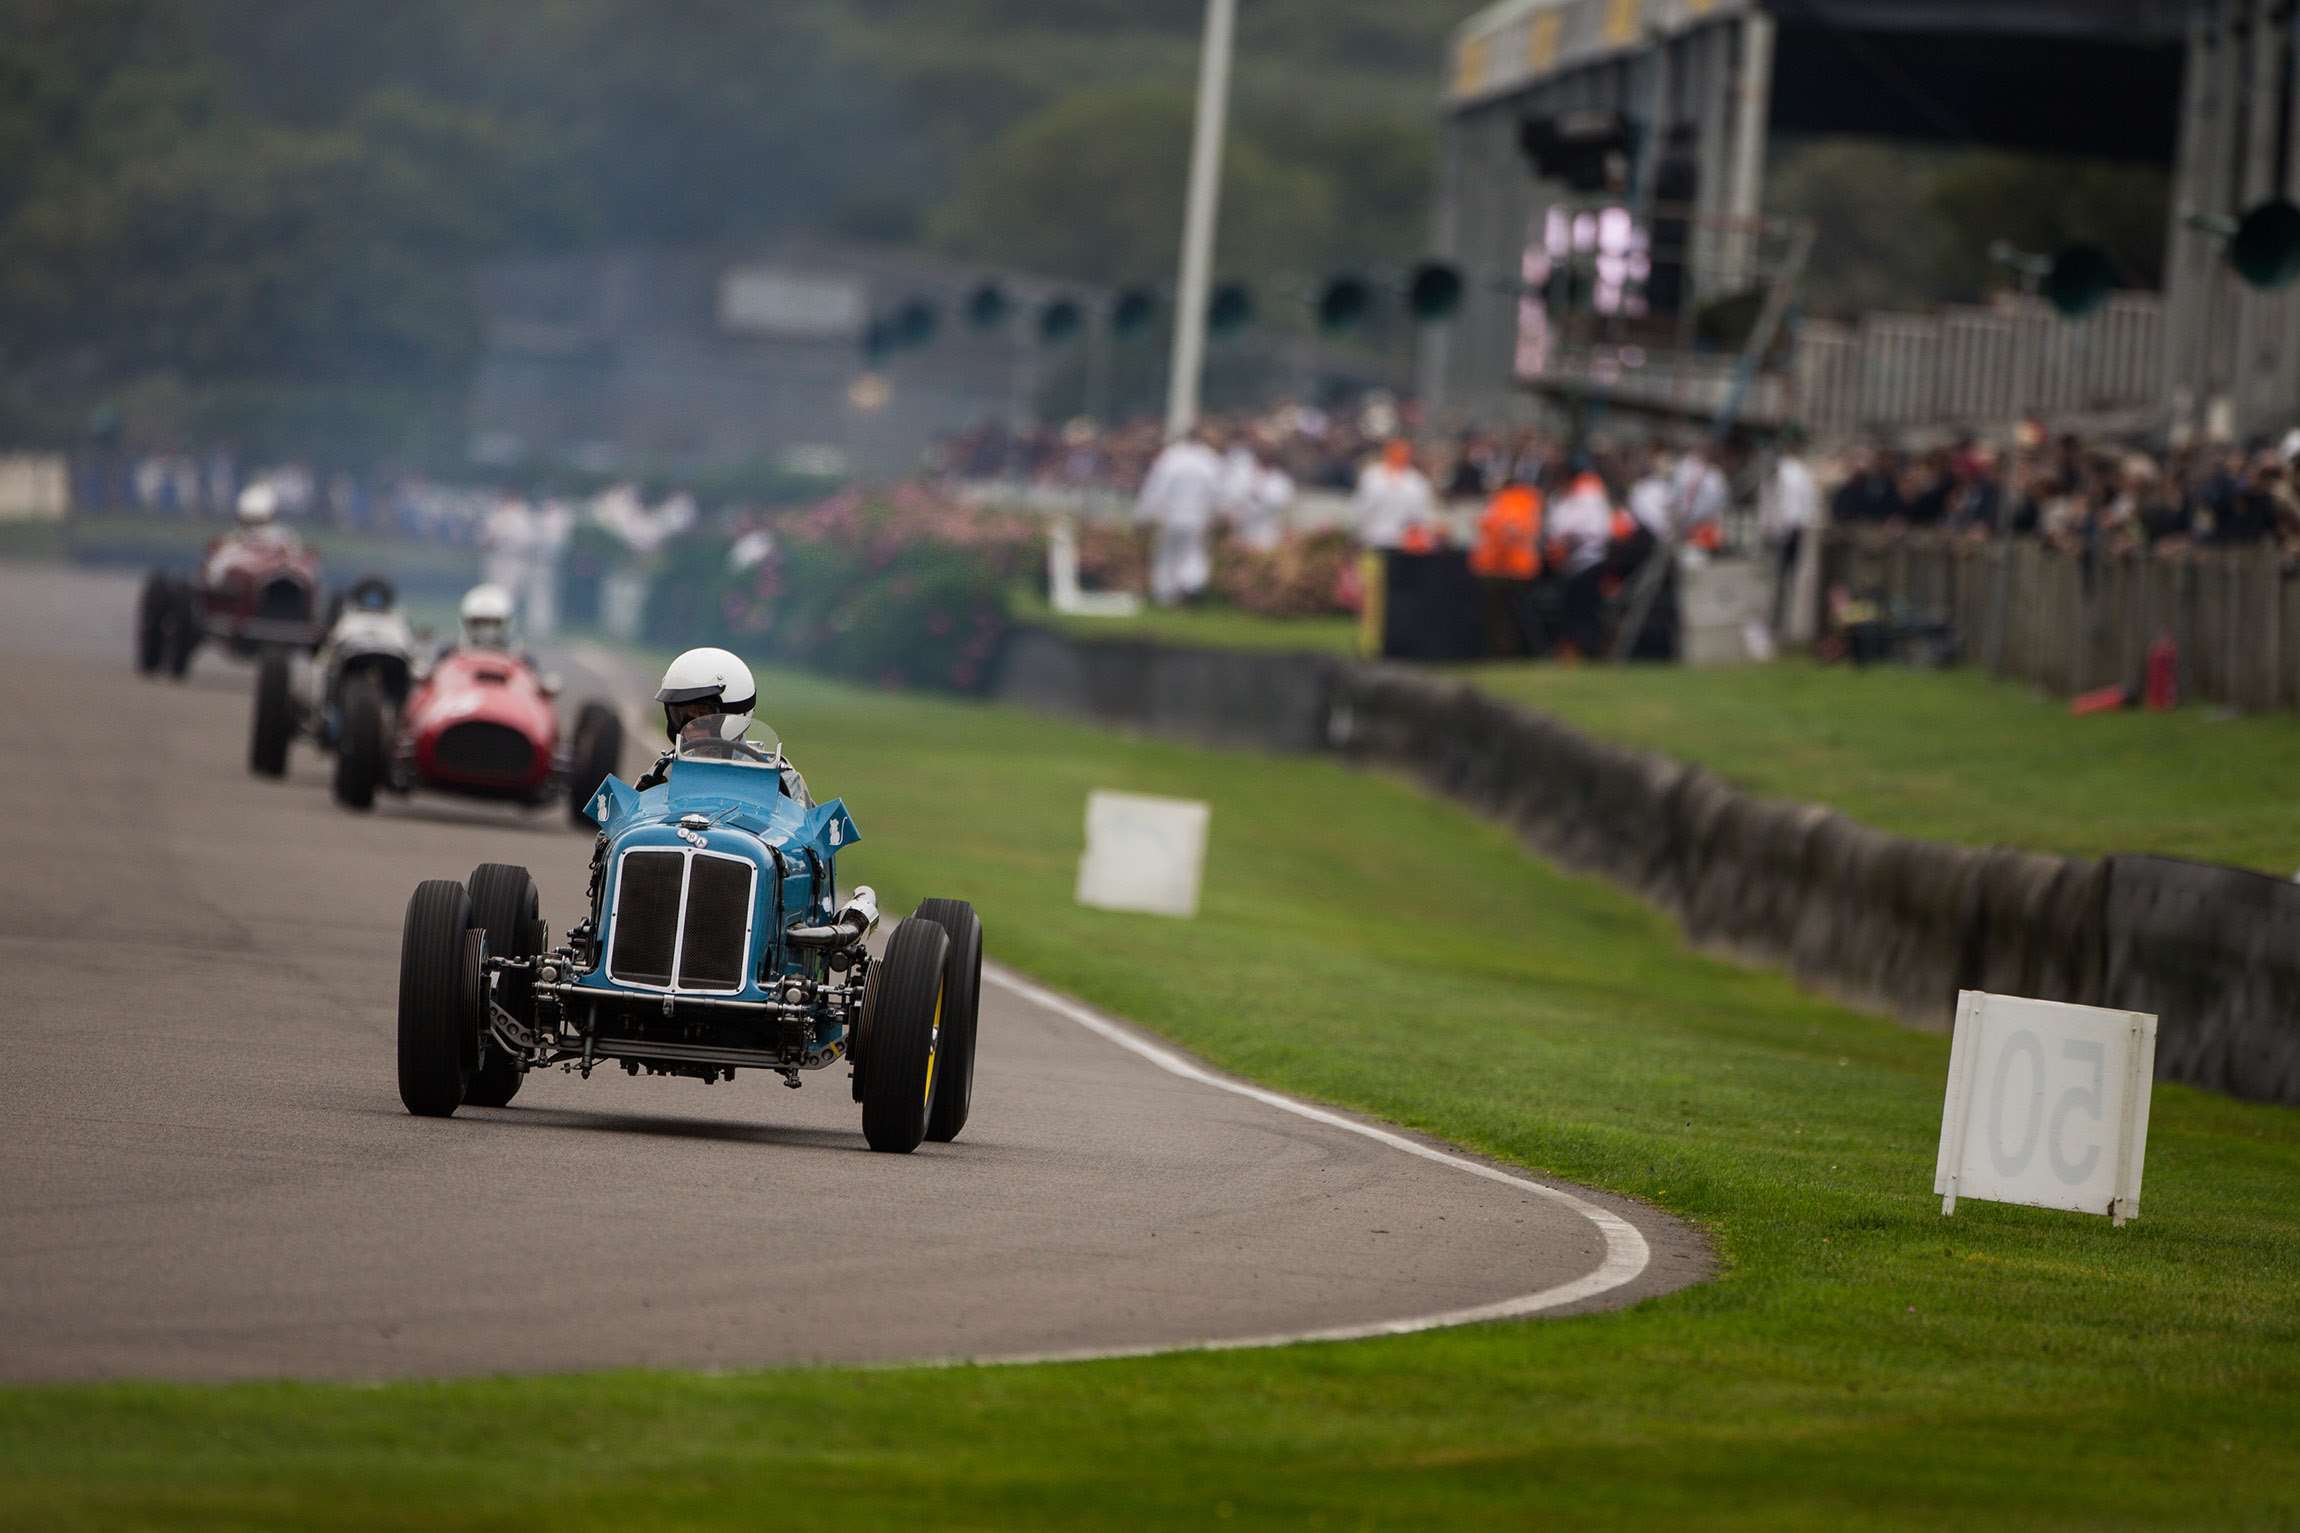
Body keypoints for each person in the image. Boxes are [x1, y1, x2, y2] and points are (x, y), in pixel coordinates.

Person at [634, 646, 809, 804]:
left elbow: (805, 834)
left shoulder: (780, 780)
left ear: (735, 711)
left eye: (702, 715)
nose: (691, 726)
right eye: (680, 714)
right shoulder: (662, 773)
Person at [1135, 425, 1224, 605]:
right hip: (1197, 516)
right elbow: (1217, 492)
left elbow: (1156, 488)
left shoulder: (1171, 457)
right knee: (1193, 553)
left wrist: (1143, 515)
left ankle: (1166, 595)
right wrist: (1217, 513)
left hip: (1171, 515)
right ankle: (1191, 588)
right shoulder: (1210, 459)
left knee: (1167, 555)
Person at [1759, 431, 1820, 633]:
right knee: (1779, 580)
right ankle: (1775, 624)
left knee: (1782, 580)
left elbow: (1806, 506)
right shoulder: (1788, 472)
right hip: (1785, 530)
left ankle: (1779, 625)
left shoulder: (1798, 472)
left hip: (1788, 530)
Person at [1351, 438, 1438, 552]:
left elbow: (1421, 515)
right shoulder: (1371, 476)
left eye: (1405, 452)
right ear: (1388, 452)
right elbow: (1360, 507)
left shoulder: (1417, 481)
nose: (1400, 455)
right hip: (1372, 538)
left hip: (1403, 543)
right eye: (1396, 451)